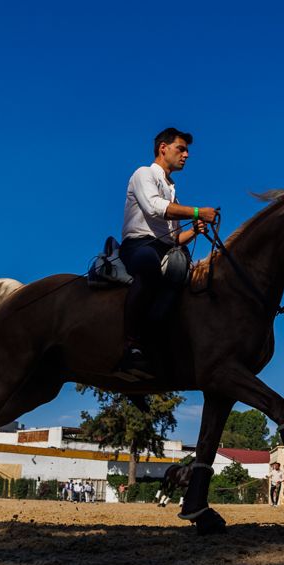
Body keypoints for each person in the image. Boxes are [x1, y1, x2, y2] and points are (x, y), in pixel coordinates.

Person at [115, 127, 219, 380]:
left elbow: (174, 238)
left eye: (187, 151)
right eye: (180, 149)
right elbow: (153, 208)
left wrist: (194, 231)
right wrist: (197, 213)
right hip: (138, 245)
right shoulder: (143, 174)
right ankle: (130, 345)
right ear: (163, 148)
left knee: (185, 274)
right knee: (149, 264)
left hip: (165, 248)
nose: (186, 155)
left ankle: (160, 341)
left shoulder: (172, 188)